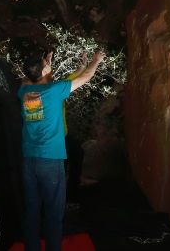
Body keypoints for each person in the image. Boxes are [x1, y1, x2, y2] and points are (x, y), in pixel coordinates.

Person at [18, 48, 106, 251]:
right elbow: (85, 77)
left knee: (32, 210)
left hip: (29, 160)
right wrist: (96, 60)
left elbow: (31, 78)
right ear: (42, 72)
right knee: (54, 213)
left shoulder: (23, 91)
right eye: (45, 63)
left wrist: (44, 68)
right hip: (49, 161)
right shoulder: (53, 91)